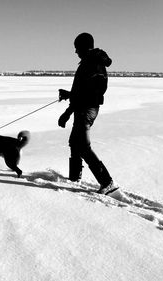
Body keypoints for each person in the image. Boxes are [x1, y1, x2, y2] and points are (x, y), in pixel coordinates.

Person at [58, 32, 117, 195]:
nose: (75, 51)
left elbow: (89, 93)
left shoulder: (92, 63)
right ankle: (75, 177)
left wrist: (67, 112)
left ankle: (107, 182)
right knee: (75, 142)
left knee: (82, 145)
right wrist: (69, 95)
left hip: (87, 109)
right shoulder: (91, 62)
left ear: (84, 47)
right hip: (85, 107)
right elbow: (83, 91)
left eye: (77, 48)